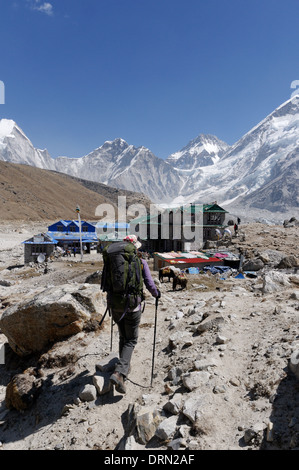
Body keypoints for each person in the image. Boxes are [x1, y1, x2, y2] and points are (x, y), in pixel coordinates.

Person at [109, 235, 161, 394]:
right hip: (132, 307)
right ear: (135, 248)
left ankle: (122, 368)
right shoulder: (140, 262)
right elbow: (149, 283)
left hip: (115, 306)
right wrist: (156, 294)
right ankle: (119, 372)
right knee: (131, 340)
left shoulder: (113, 262)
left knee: (123, 336)